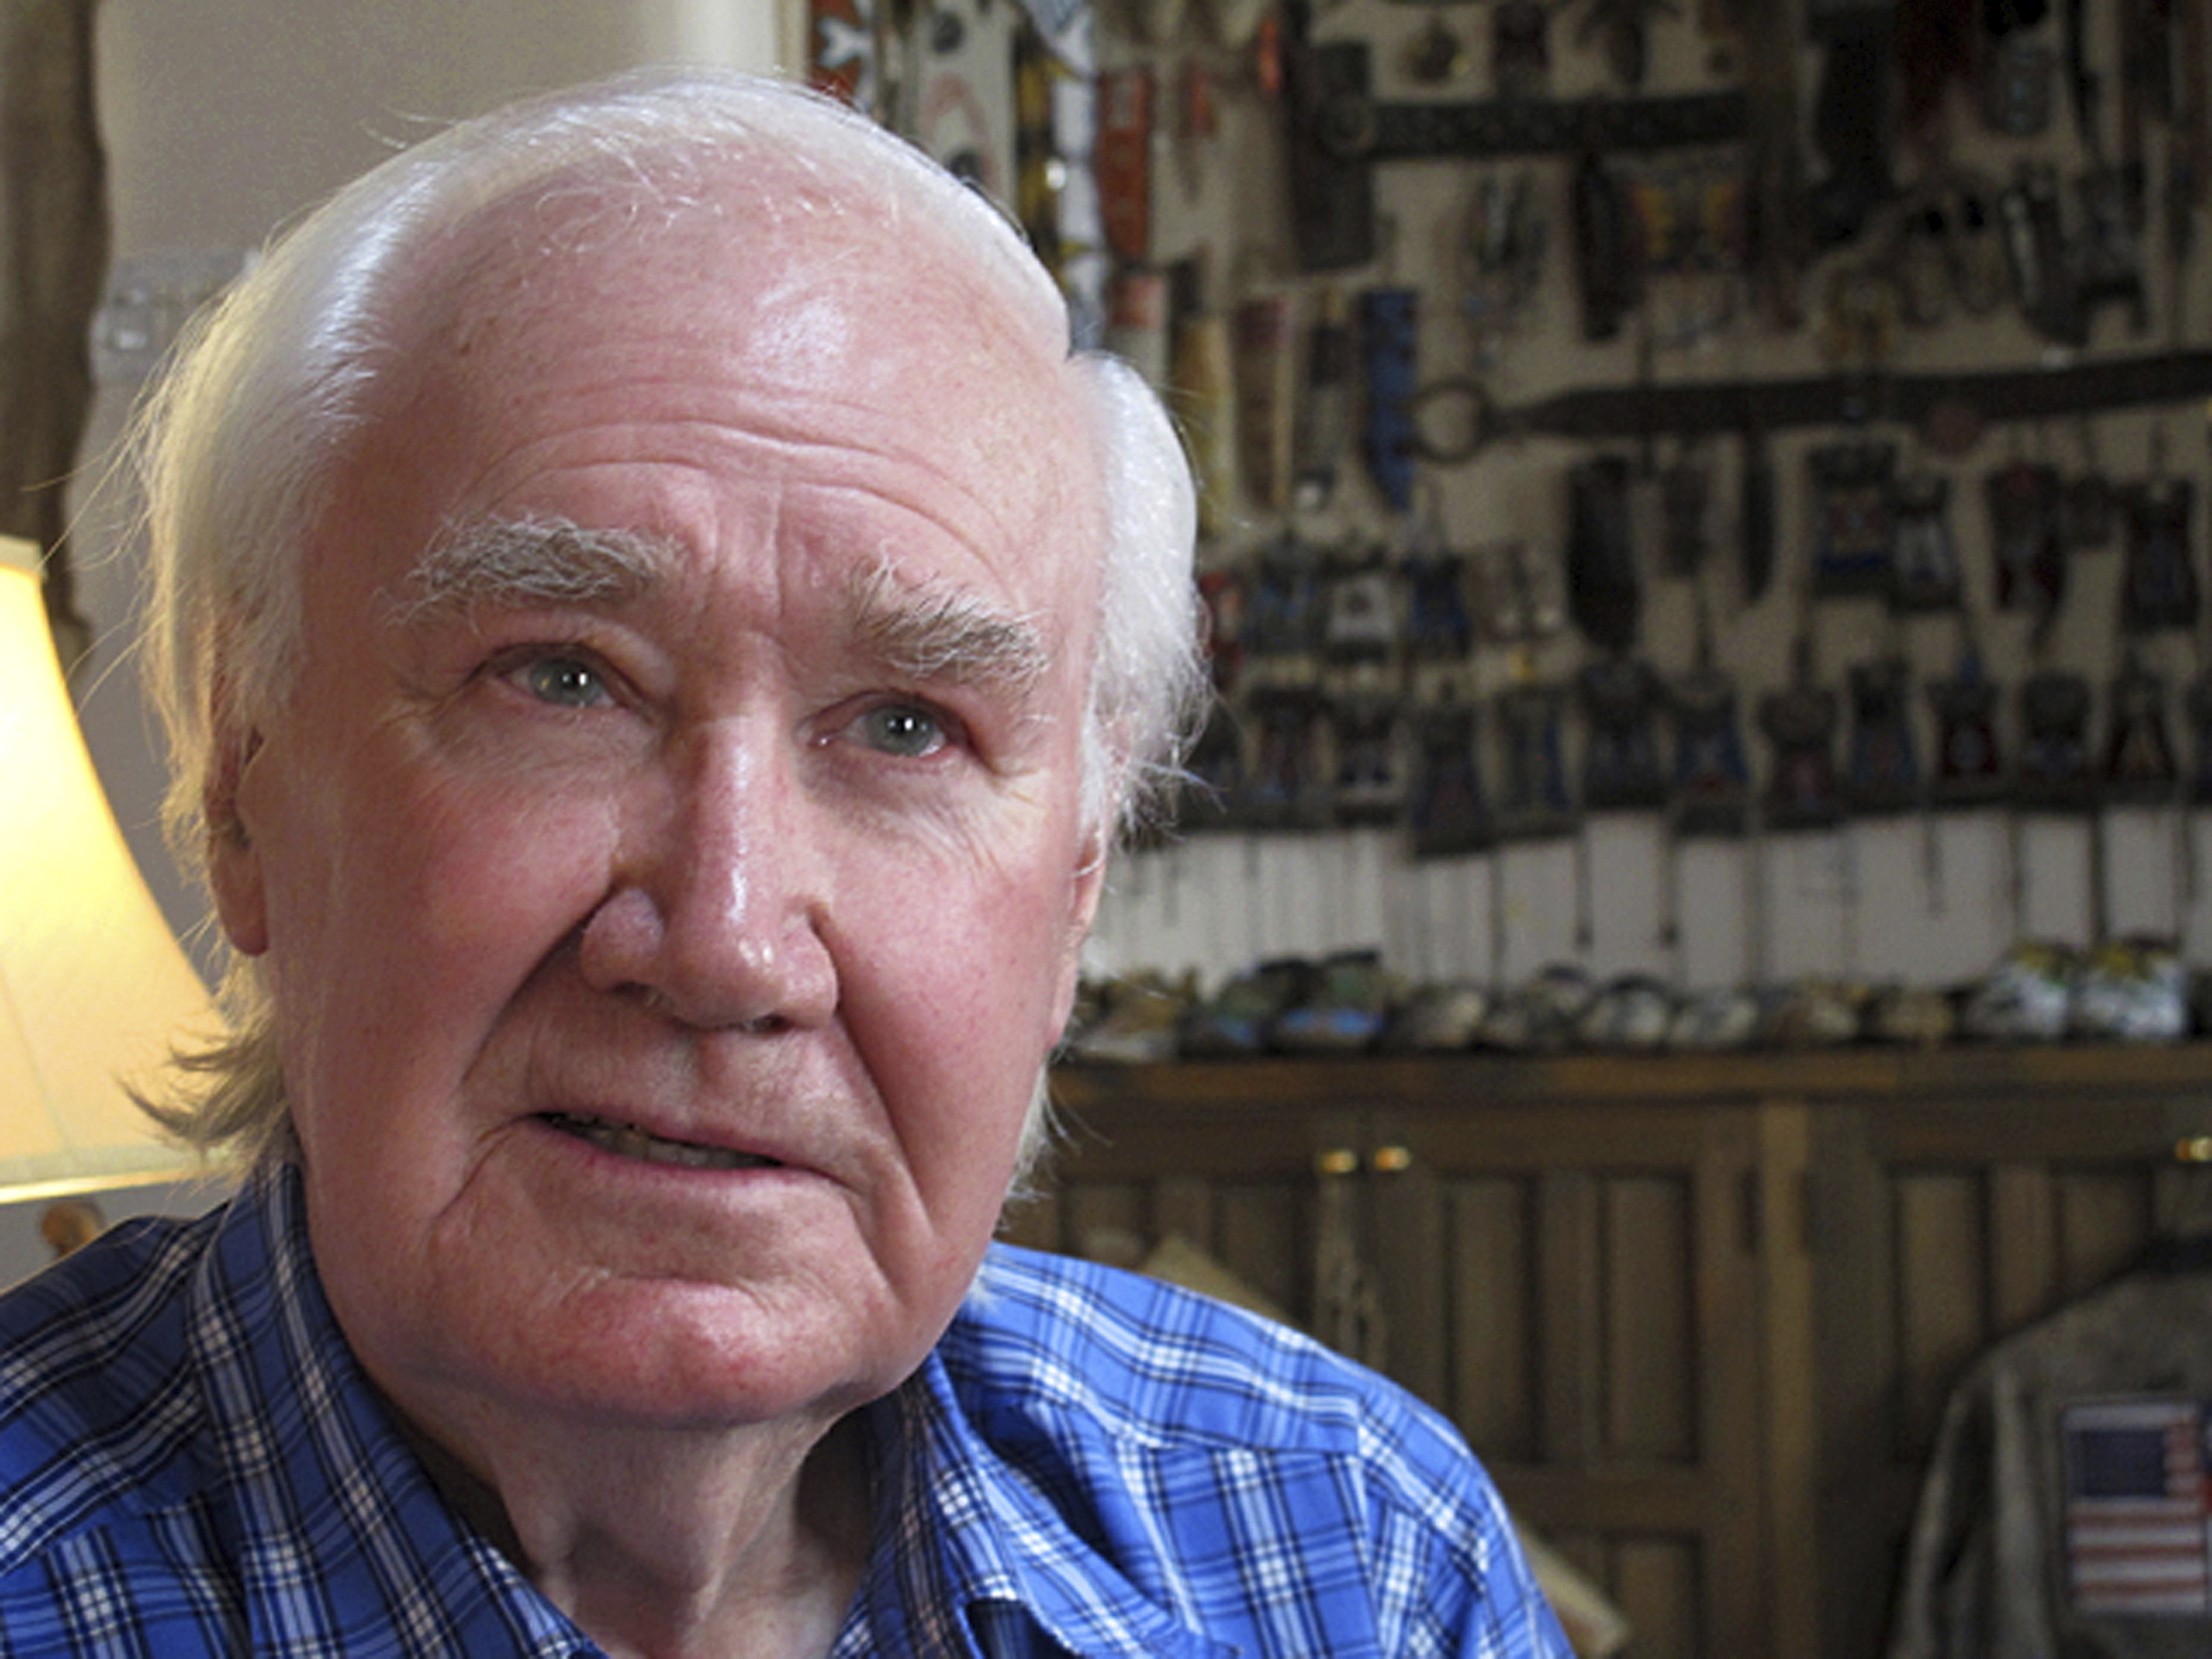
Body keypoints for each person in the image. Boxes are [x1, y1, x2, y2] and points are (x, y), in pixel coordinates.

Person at [0, 69, 1570, 1658]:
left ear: (1079, 884)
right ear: (240, 781)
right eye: (561, 677)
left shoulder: (1357, 1559)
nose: (728, 943)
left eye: (905, 727)